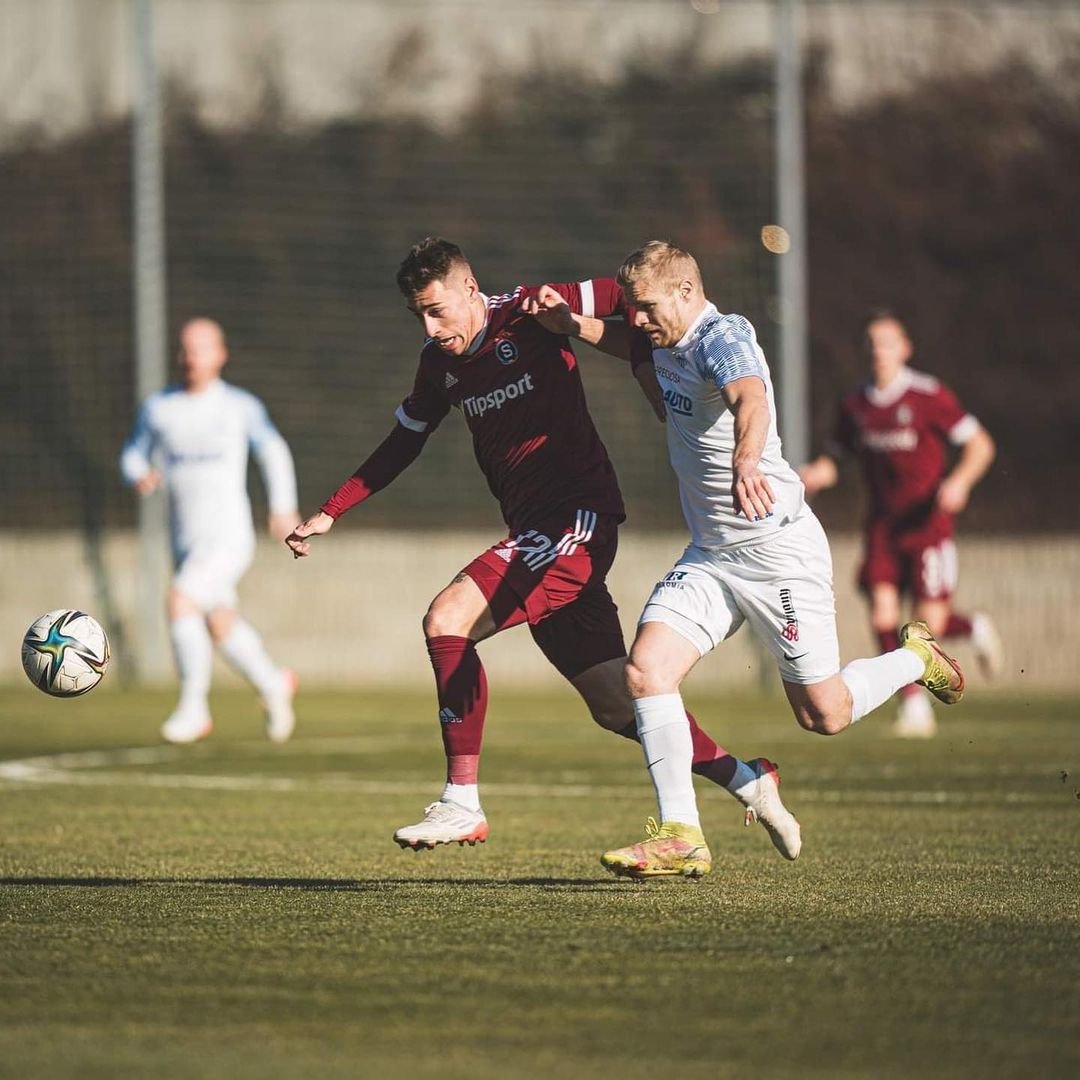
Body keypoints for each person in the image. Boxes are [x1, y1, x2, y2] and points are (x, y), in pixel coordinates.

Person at [285, 236, 801, 858]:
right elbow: (404, 442)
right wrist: (331, 511)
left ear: (471, 289)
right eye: (418, 314)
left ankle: (461, 801)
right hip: (533, 531)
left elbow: (632, 301)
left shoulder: (530, 311)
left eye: (438, 309)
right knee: (618, 706)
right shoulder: (438, 364)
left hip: (576, 521)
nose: (430, 325)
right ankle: (749, 780)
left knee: (448, 618)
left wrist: (642, 366)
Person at [562, 241, 964, 880]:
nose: (635, 318)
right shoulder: (661, 338)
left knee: (822, 713)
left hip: (777, 552)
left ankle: (917, 657)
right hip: (713, 556)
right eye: (630, 308)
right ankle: (681, 834)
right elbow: (628, 344)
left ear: (687, 293)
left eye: (644, 306)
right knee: (646, 671)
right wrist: (570, 325)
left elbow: (750, 397)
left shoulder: (724, 336)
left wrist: (747, 460)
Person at [800, 309, 998, 738]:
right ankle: (914, 707)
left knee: (929, 627)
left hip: (928, 527)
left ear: (904, 349)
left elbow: (981, 445)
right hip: (883, 529)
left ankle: (974, 627)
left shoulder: (929, 396)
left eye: (887, 343)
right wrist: (814, 474)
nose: (879, 352)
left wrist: (960, 482)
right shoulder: (855, 405)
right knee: (883, 617)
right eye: (871, 345)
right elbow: (836, 459)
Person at [120, 317, 300, 744]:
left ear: (220, 355)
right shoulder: (159, 407)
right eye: (184, 349)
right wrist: (138, 473)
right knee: (219, 623)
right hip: (184, 539)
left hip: (228, 537)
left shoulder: (239, 406)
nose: (190, 358)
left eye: (200, 349)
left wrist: (282, 508)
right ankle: (273, 683)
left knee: (180, 600)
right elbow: (131, 453)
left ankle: (193, 706)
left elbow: (274, 451)